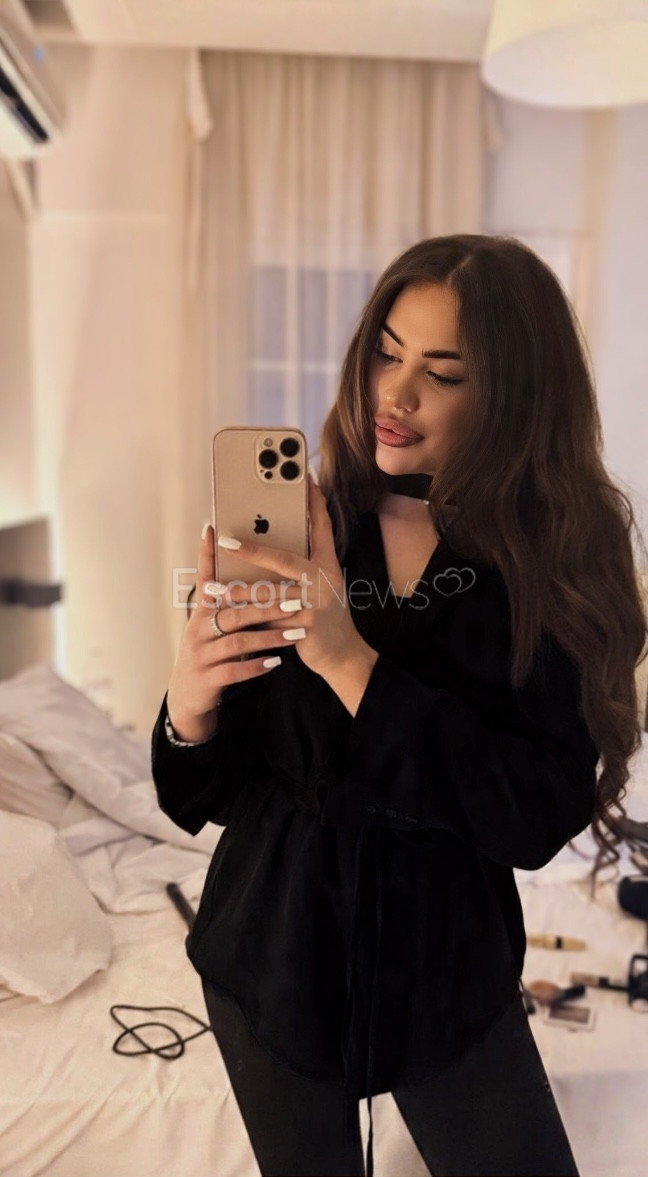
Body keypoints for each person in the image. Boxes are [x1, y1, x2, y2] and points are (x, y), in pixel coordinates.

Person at [151, 234, 647, 1177]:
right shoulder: (314, 527)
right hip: (272, 956)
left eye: (442, 372)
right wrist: (190, 701)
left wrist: (349, 660)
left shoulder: (553, 566)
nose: (396, 393)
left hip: (447, 969)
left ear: (512, 394)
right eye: (387, 352)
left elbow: (535, 814)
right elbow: (204, 791)